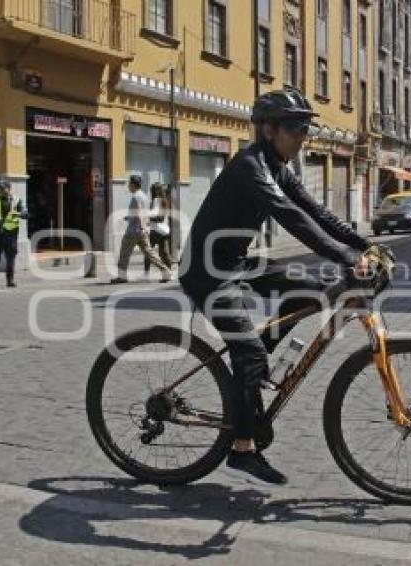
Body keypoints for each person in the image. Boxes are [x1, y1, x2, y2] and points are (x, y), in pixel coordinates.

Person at [179, 87, 370, 485]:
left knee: (314, 289)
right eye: (297, 127)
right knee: (248, 354)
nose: (303, 136)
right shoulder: (249, 166)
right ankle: (243, 450)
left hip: (237, 264)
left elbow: (314, 211)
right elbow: (288, 216)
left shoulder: (279, 167)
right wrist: (346, 257)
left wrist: (364, 245)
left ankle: (256, 357)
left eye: (305, 127)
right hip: (206, 272)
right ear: (269, 129)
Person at [111, 175, 171, 284]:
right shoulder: (144, 196)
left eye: (129, 184)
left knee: (124, 254)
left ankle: (122, 276)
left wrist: (136, 222)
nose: (128, 186)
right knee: (150, 253)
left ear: (133, 184)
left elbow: (138, 212)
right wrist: (143, 227)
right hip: (143, 231)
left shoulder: (135, 197)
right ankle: (165, 270)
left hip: (133, 230)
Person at [144, 183, 173, 282]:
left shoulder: (156, 201)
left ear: (156, 191)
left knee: (148, 252)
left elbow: (159, 218)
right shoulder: (164, 201)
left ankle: (146, 274)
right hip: (164, 231)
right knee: (164, 253)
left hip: (156, 230)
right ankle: (168, 274)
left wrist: (148, 217)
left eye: (152, 190)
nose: (151, 192)